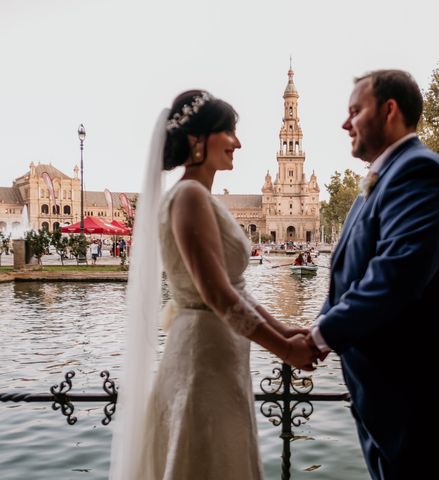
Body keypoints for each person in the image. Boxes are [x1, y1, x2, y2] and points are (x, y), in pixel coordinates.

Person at [109, 90, 319, 480]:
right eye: (228, 132)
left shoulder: (200, 197)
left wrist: (284, 329)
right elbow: (218, 294)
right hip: (203, 353)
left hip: (218, 349)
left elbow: (235, 289)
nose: (237, 142)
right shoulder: (189, 196)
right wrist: (284, 348)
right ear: (197, 141)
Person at [308, 70, 439, 479]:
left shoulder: (418, 171)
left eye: (355, 110)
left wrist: (320, 337)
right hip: (392, 400)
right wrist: (321, 324)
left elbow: (395, 276)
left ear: (389, 110)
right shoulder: (385, 176)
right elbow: (349, 270)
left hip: (422, 398)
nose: (344, 123)